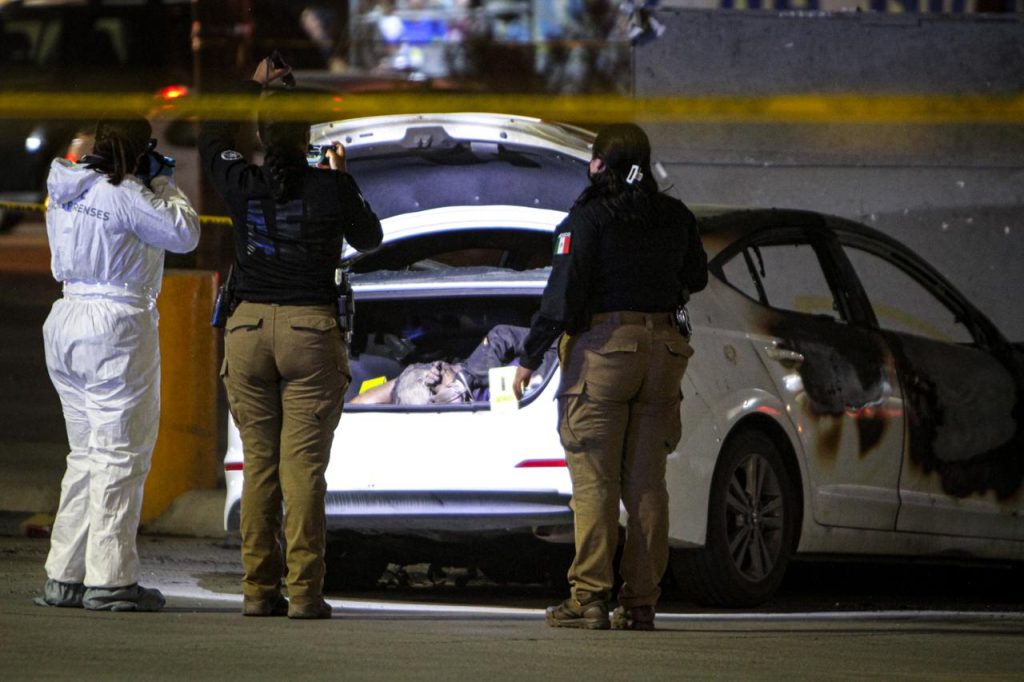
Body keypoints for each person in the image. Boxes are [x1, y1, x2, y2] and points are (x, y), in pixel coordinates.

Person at [198, 58, 383, 620]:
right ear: (310, 137)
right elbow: (370, 238)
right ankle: (304, 594)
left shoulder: (242, 181)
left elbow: (211, 135)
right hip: (310, 332)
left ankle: (258, 591)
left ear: (259, 134)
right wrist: (340, 174)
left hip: (249, 330)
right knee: (303, 471)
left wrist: (251, 86)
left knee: (260, 466)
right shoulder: (332, 187)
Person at [513, 123, 708, 631]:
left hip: (604, 353)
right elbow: (697, 277)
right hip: (663, 352)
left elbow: (563, 294)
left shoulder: (590, 217)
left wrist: (530, 355)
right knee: (646, 484)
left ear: (599, 164)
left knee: (594, 481)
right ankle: (641, 603)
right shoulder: (674, 215)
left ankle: (589, 599)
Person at [35, 116, 200, 611]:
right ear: (135, 150)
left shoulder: (64, 189)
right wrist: (163, 181)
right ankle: (110, 580)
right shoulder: (126, 192)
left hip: (66, 317)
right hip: (116, 323)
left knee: (86, 454)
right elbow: (184, 232)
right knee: (121, 454)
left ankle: (64, 575)